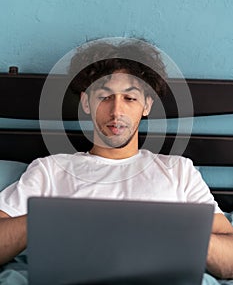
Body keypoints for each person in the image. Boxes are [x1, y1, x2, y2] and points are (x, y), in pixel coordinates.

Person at [0, 38, 232, 280]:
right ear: (86, 103)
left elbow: (230, 258)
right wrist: (47, 219)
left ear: (146, 105)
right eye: (104, 97)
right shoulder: (50, 169)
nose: (116, 112)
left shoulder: (179, 171)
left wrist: (179, 232)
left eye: (130, 98)